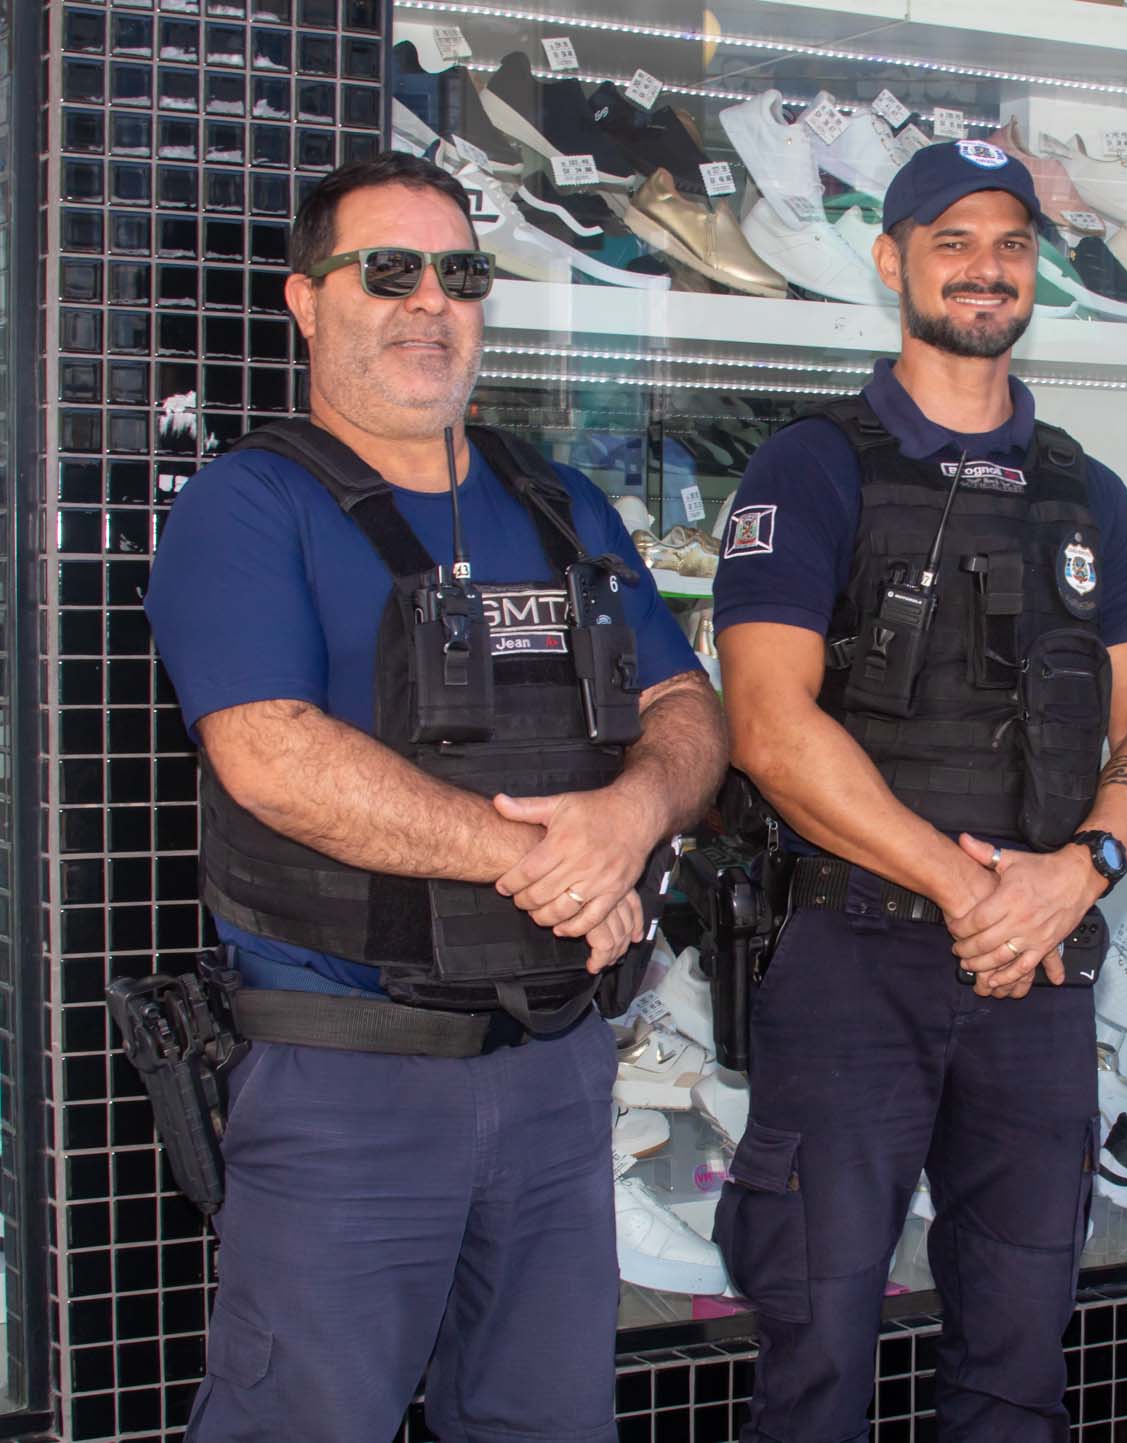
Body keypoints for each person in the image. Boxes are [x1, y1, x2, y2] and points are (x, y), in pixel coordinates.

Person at [145, 151, 729, 1443]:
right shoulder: (250, 505)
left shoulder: (558, 500)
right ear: (306, 299)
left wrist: (632, 814)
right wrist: (549, 861)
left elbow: (687, 708)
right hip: (349, 1081)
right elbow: (270, 752)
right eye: (388, 270)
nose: (430, 301)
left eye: (460, 274)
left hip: (560, 1076)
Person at [710, 138, 1127, 1441]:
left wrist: (1077, 871)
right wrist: (973, 889)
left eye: (1011, 244)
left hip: (1036, 972)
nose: (987, 267)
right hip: (855, 960)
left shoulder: (1088, 494)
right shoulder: (812, 465)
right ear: (891, 260)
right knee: (816, 1353)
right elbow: (767, 726)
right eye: (953, 241)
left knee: (1019, 1359)